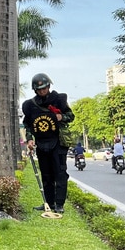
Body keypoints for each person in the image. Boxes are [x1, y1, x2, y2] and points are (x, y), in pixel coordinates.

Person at [22, 73, 75, 213]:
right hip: (42, 143)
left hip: (58, 142)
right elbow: (27, 124)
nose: (42, 91)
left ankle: (59, 205)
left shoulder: (59, 100)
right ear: (35, 90)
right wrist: (30, 138)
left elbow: (71, 116)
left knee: (60, 174)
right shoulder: (30, 105)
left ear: (49, 87)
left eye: (44, 88)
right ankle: (49, 203)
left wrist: (61, 116)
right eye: (39, 89)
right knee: (46, 175)